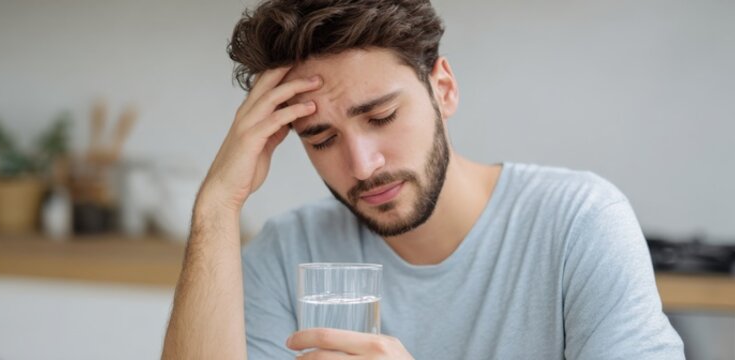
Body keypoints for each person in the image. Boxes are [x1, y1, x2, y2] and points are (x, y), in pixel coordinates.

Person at [161, 0, 685, 358]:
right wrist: (216, 206)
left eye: (382, 117)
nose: (362, 166)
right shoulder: (287, 251)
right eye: (321, 139)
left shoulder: (579, 222)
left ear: (444, 89)